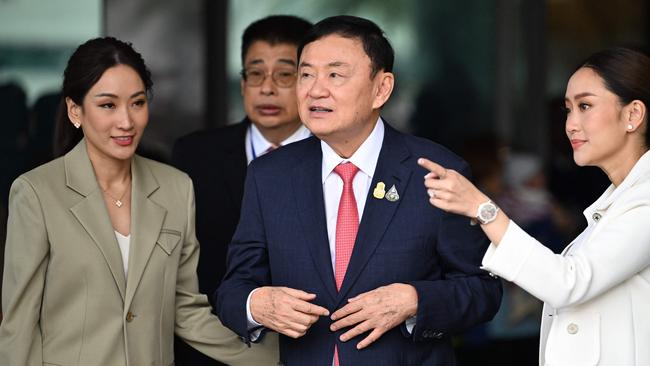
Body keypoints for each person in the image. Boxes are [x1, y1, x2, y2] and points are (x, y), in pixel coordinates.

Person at [216, 15, 502, 365]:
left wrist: (415, 300)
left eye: (335, 74)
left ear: (381, 88)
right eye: (306, 74)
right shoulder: (270, 175)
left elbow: (483, 290)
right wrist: (256, 304)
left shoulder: (435, 170)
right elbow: (233, 288)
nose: (315, 89)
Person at [0, 37, 276, 365]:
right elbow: (19, 325)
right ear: (75, 110)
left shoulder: (176, 187)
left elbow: (186, 310)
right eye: (108, 105)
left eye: (137, 103)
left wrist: (278, 358)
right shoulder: (35, 193)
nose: (127, 122)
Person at [418, 47, 650, 366]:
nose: (570, 124)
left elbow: (568, 283)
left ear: (633, 115)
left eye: (585, 106)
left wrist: (483, 208)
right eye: (568, 109)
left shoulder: (645, 199)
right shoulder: (623, 195)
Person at [171, 15, 312, 365]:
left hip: (315, 346)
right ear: (242, 83)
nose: (267, 88)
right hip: (213, 347)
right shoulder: (194, 156)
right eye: (255, 73)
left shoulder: (337, 156)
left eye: (284, 74)